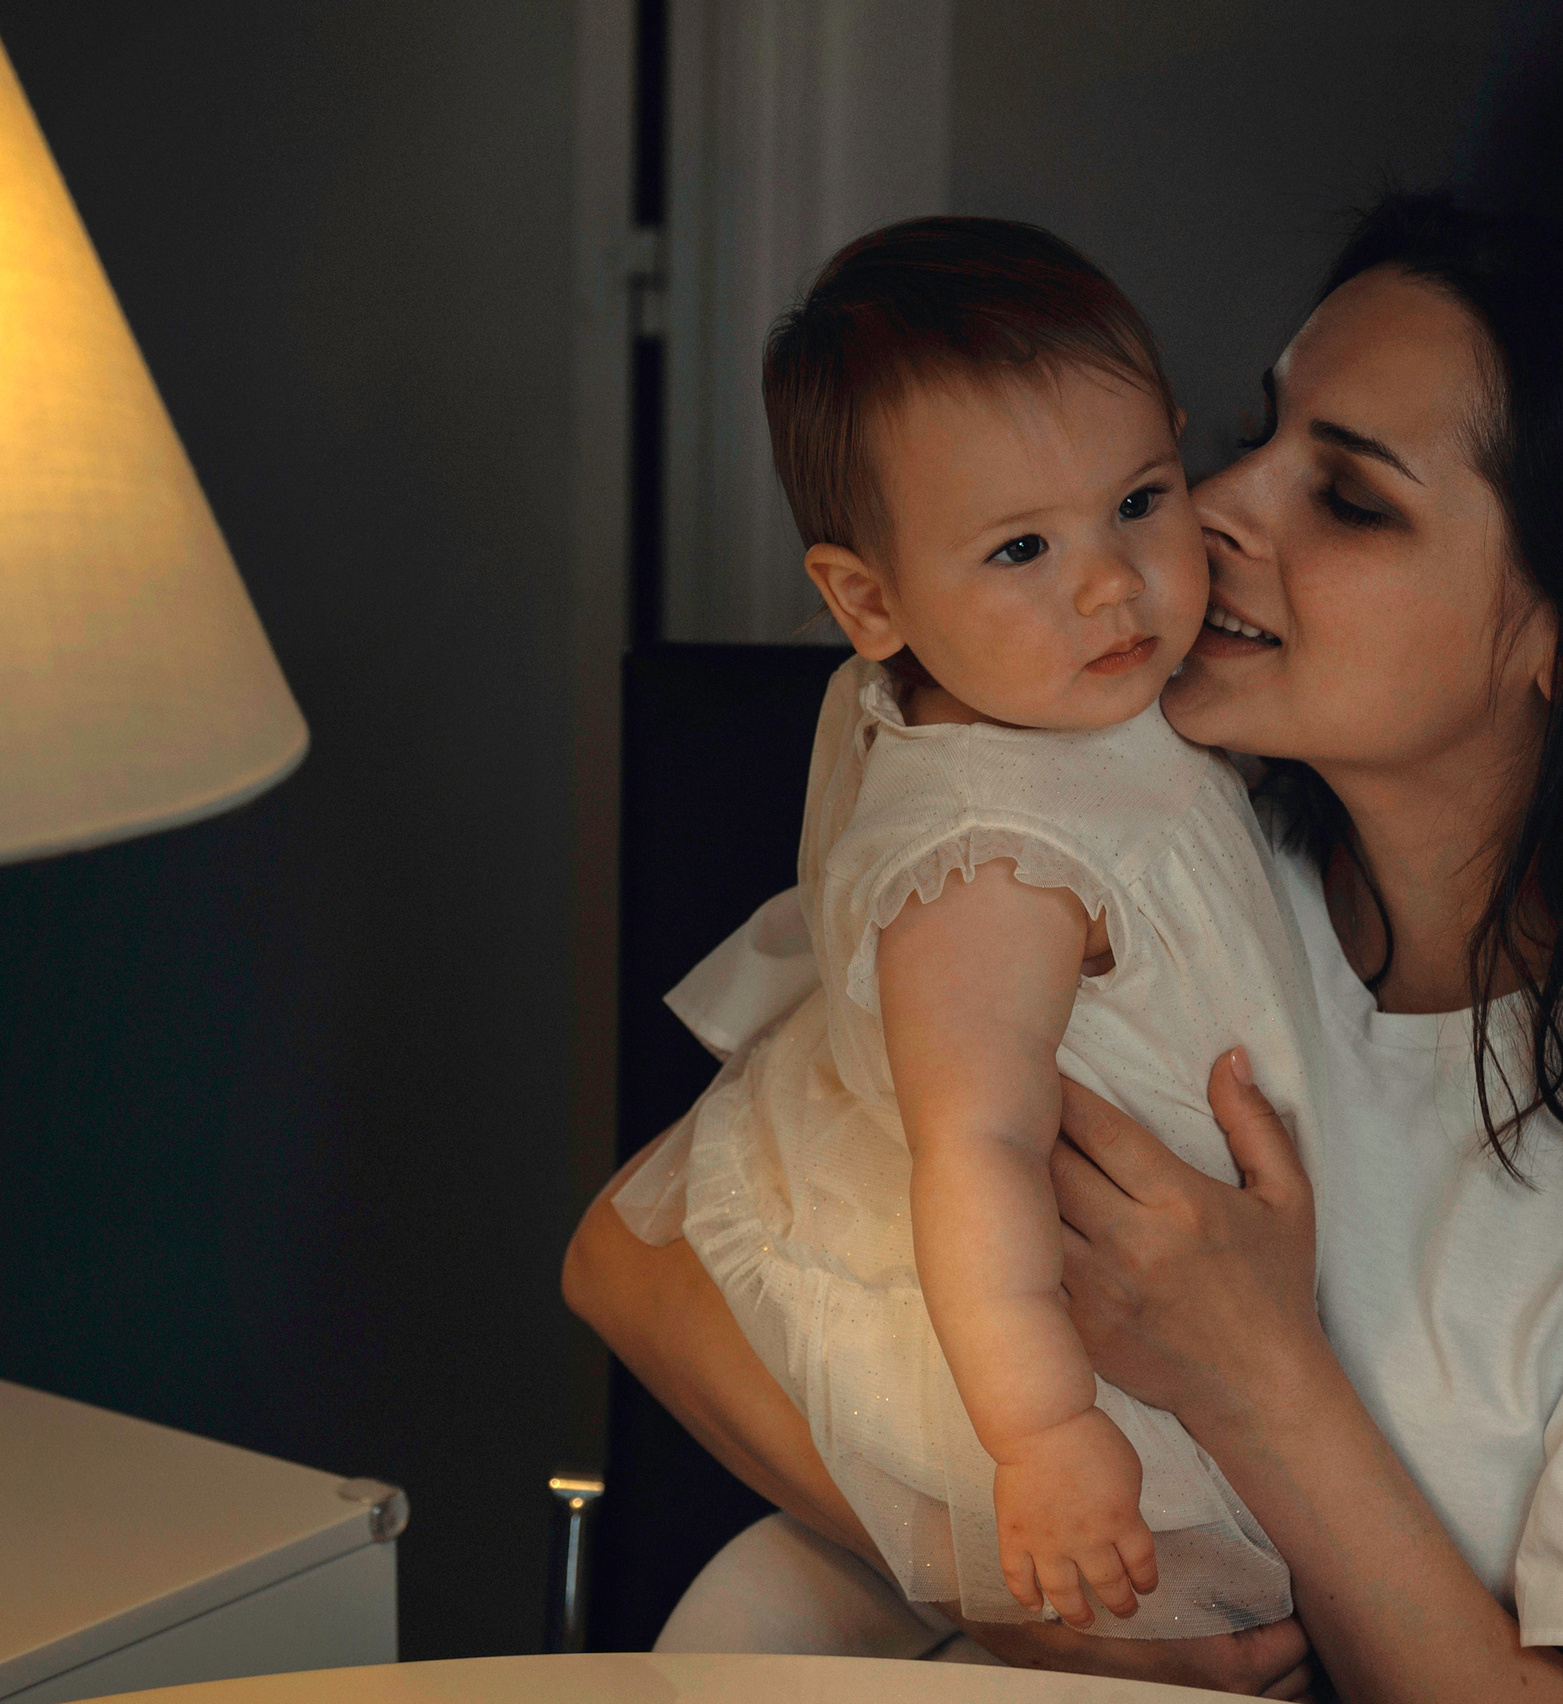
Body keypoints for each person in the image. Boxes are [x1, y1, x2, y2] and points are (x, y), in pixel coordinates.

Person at [568, 194, 1563, 1702]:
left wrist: (1261, 1380)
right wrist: (1027, 1601)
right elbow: (633, 1258)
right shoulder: (1145, 855)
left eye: (1353, 498)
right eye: (1258, 432)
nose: (1213, 506)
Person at [611, 217, 1323, 1638]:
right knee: (1133, 1613)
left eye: (1139, 500)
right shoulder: (992, 872)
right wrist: (1047, 1433)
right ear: (869, 600)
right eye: (1018, 548)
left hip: (1142, 1280)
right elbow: (979, 1147)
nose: (1110, 584)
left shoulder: (1063, 693)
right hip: (1023, 1338)